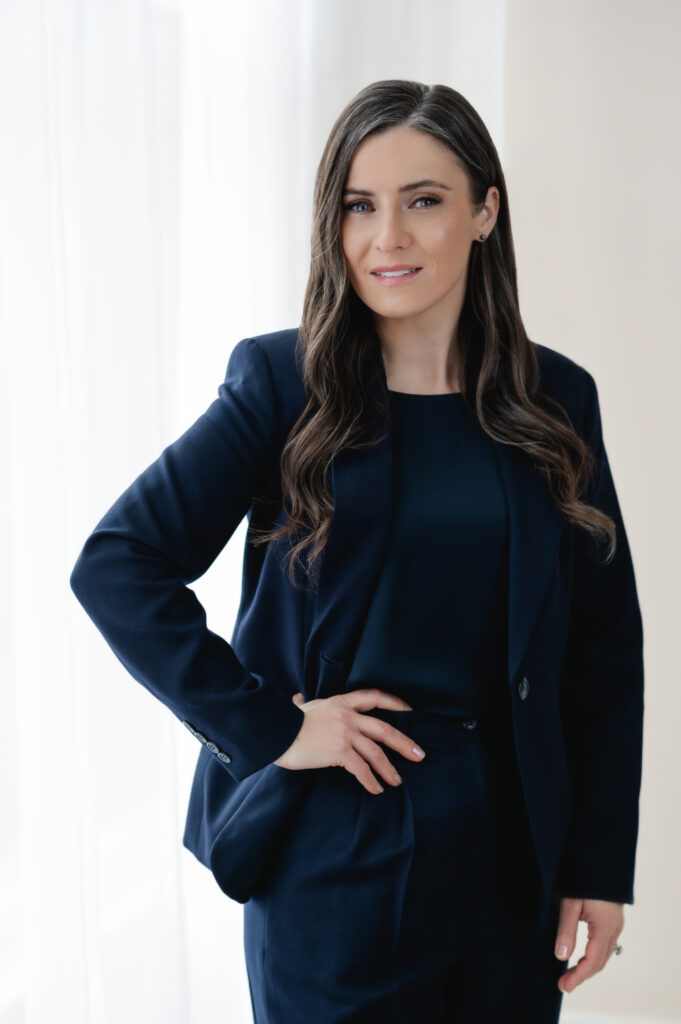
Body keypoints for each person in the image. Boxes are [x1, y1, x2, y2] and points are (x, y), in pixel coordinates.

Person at [70, 80, 644, 1023]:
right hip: (337, 844)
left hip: (510, 851)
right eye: (358, 206)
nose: (389, 238)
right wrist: (273, 729)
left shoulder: (557, 400)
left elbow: (599, 651)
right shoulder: (280, 383)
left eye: (423, 201)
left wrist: (597, 865)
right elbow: (119, 562)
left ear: (484, 211)